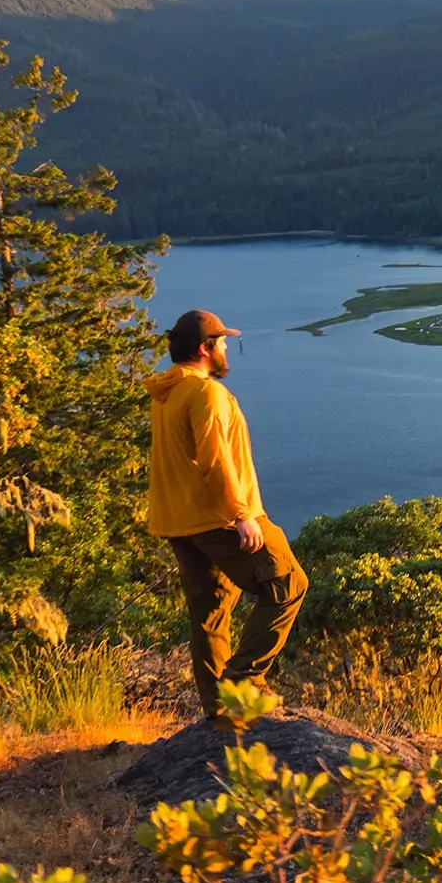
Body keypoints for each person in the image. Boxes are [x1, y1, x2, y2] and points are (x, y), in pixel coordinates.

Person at [146, 308, 308, 725]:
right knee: (288, 584)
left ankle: (221, 714)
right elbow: (215, 458)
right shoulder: (205, 393)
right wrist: (241, 514)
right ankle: (242, 684)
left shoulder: (168, 392)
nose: (224, 348)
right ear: (205, 348)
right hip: (219, 516)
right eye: (221, 342)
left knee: (211, 613)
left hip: (180, 521)